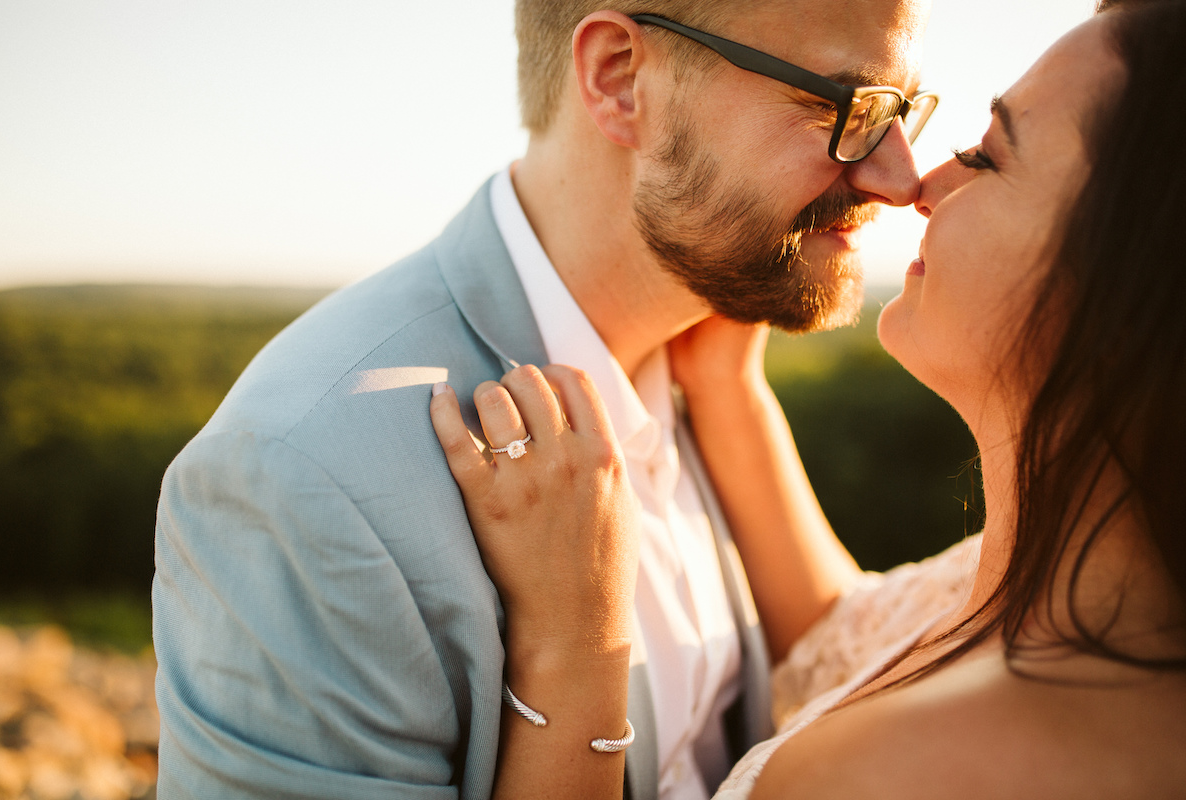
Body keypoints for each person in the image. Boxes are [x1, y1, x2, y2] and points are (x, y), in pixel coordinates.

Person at [152, 1, 937, 798]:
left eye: (904, 112)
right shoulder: (304, 471)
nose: (901, 178)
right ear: (620, 81)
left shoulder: (715, 367)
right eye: (850, 108)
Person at [429, 0, 1186, 796]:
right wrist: (728, 392)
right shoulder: (1087, 595)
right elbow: (847, 636)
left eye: (989, 156)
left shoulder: (893, 775)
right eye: (848, 109)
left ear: (1127, 286)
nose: (913, 184)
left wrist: (577, 647)